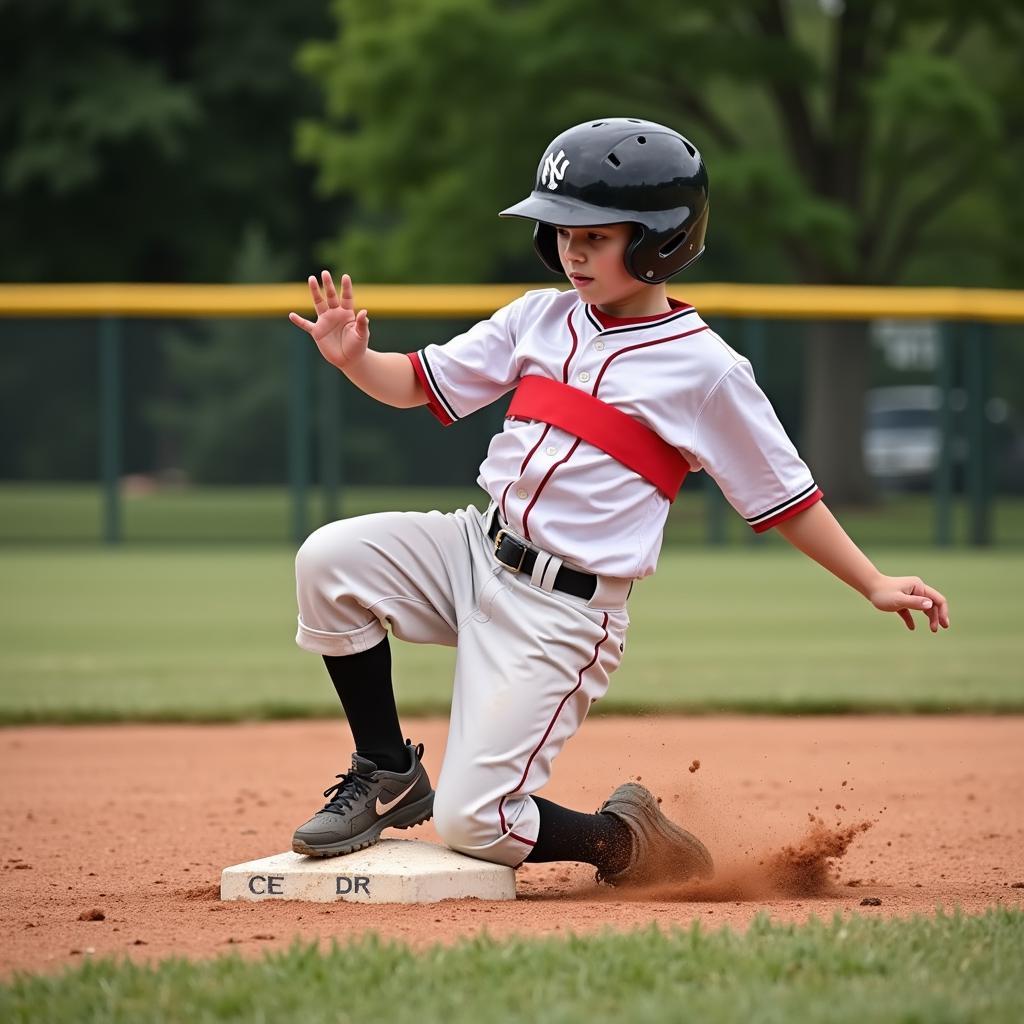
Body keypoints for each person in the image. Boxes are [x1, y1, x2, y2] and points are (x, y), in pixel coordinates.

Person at [286, 117, 949, 887]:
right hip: (473, 550)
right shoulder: (538, 316)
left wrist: (871, 580)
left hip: (561, 612)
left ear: (661, 241)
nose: (572, 249)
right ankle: (387, 770)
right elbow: (416, 384)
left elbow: (784, 497)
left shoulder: (707, 371)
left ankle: (626, 842)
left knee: (478, 821)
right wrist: (357, 358)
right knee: (328, 559)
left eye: (596, 235)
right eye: (561, 230)